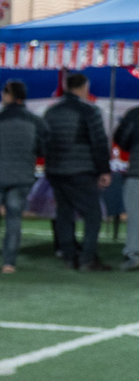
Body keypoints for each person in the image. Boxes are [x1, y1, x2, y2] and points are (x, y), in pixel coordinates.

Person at [0, 80, 49, 274]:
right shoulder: (35, 121)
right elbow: (43, 148)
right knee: (14, 219)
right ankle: (9, 263)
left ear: (8, 95)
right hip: (22, 176)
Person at [44, 72, 112, 271]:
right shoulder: (89, 110)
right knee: (93, 215)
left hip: (56, 171)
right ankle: (87, 258)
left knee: (64, 214)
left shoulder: (51, 111)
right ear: (84, 88)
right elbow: (98, 142)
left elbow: (44, 141)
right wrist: (104, 170)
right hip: (81, 171)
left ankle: (69, 256)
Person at [110, 103, 139, 272]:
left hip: (137, 170)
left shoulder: (134, 114)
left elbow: (121, 139)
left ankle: (134, 255)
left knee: (136, 216)